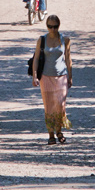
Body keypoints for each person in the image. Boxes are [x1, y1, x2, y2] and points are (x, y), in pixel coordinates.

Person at [31, 15, 73, 144]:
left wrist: (70, 76)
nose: (52, 29)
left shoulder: (65, 40)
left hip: (62, 76)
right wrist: (35, 75)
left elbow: (68, 59)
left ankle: (59, 131)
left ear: (58, 26)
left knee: (60, 105)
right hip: (46, 77)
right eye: (50, 26)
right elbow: (36, 58)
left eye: (55, 27)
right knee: (49, 106)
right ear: (47, 26)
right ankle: (51, 134)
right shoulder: (42, 40)